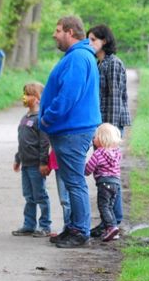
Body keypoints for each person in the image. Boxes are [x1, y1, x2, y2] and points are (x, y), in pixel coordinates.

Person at [39, 16, 101, 248]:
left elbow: (68, 96)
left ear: (70, 32)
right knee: (71, 181)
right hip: (71, 129)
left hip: (72, 130)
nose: (54, 35)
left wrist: (48, 117)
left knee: (74, 182)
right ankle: (73, 227)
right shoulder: (79, 56)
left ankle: (80, 231)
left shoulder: (77, 58)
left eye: (58, 30)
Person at [87, 24, 130, 234]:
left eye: (93, 39)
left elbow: (114, 98)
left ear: (104, 41)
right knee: (103, 173)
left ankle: (114, 220)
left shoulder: (113, 64)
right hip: (101, 125)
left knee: (109, 174)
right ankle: (108, 220)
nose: (90, 43)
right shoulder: (98, 63)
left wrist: (108, 133)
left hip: (109, 127)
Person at [11, 82, 52, 237]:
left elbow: (44, 142)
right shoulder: (24, 118)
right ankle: (29, 224)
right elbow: (22, 141)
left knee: (40, 195)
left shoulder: (39, 119)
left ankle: (45, 226)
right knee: (28, 196)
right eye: (24, 93)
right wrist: (18, 158)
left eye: (28, 94)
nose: (24, 97)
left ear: (37, 99)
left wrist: (43, 162)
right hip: (26, 164)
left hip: (36, 164)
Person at [84, 123, 123, 242]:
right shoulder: (117, 152)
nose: (93, 139)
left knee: (103, 206)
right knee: (110, 206)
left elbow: (88, 170)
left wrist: (82, 168)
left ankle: (111, 227)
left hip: (104, 183)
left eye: (95, 137)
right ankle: (113, 230)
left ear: (101, 139)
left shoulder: (98, 153)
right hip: (116, 183)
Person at [46, 149, 71, 242]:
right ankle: (68, 226)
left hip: (68, 161)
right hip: (59, 162)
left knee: (67, 199)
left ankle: (70, 226)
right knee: (65, 199)